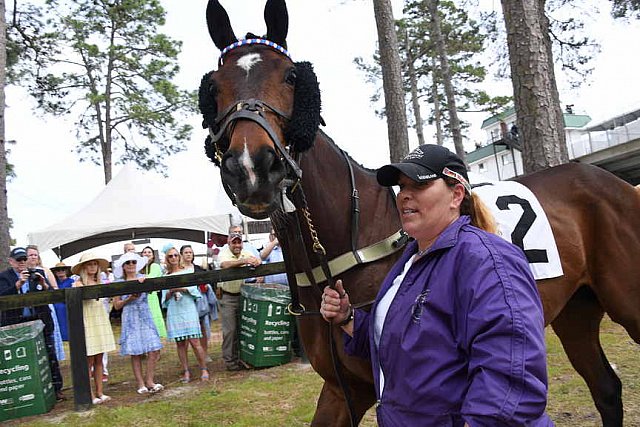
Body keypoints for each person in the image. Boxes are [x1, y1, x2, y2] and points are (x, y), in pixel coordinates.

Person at [320, 144, 552, 426]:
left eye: (419, 184)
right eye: (402, 186)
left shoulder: (486, 260)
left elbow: (511, 374)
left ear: (456, 195)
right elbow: (402, 343)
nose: (404, 194)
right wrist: (348, 318)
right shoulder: (409, 261)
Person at [0, 247, 64, 401]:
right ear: (11, 261)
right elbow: (1, 296)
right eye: (19, 260)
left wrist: (44, 284)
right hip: (16, 322)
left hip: (40, 319)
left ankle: (56, 388)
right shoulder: (4, 277)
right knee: (21, 357)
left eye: (24, 259)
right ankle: (25, 391)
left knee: (49, 354)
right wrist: (18, 283)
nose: (22, 262)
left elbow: (51, 295)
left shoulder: (37, 273)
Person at [112, 252, 164, 394]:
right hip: (130, 317)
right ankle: (141, 384)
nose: (131, 265)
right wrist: (130, 298)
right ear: (123, 266)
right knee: (135, 352)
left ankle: (150, 380)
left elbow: (154, 290)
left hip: (145, 315)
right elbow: (116, 306)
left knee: (153, 349)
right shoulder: (118, 284)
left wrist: (146, 284)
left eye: (133, 262)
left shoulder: (143, 278)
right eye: (128, 262)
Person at [72, 252, 116, 405]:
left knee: (99, 359)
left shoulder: (101, 282)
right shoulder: (79, 283)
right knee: (88, 360)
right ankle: (89, 394)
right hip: (87, 321)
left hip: (100, 318)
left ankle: (100, 392)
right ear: (84, 267)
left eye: (95, 264)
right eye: (89, 264)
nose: (92, 266)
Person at [161, 245, 210, 383]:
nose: (174, 258)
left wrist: (182, 288)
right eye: (170, 256)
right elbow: (164, 300)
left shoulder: (188, 272)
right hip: (174, 310)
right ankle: (186, 371)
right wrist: (171, 292)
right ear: (167, 258)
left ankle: (203, 368)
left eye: (176, 255)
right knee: (180, 343)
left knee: (195, 341)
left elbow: (195, 293)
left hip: (188, 308)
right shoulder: (165, 277)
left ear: (179, 256)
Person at [218, 227, 262, 371]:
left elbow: (257, 260)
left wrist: (256, 263)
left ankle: (241, 358)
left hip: (243, 296)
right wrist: (245, 261)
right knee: (230, 330)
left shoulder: (246, 251)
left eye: (239, 243)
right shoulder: (223, 252)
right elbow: (224, 265)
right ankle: (230, 361)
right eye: (234, 243)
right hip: (228, 297)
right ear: (229, 243)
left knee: (243, 329)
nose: (237, 245)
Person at [25, 245, 65, 363]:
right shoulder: (22, 272)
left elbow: (54, 289)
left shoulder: (45, 270)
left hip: (46, 306)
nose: (33, 257)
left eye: (35, 255)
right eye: (30, 255)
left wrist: (43, 284)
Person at [180, 244, 218, 361]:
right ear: (181, 254)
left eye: (190, 252)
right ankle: (185, 358)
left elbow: (207, 283)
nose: (188, 254)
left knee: (203, 330)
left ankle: (204, 353)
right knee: (185, 333)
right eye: (186, 252)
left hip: (200, 305)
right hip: (185, 304)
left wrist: (205, 287)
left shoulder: (199, 269)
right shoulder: (178, 270)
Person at [140, 246, 167, 339]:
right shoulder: (139, 268)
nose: (147, 254)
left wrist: (142, 279)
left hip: (151, 297)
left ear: (153, 256)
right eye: (144, 252)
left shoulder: (155, 266)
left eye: (149, 252)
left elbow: (151, 277)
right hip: (140, 298)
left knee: (153, 317)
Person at [50, 261, 74, 341]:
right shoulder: (53, 283)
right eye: (58, 270)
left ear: (66, 271)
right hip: (55, 308)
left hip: (67, 307)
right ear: (55, 272)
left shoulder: (71, 282)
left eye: (62, 269)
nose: (60, 271)